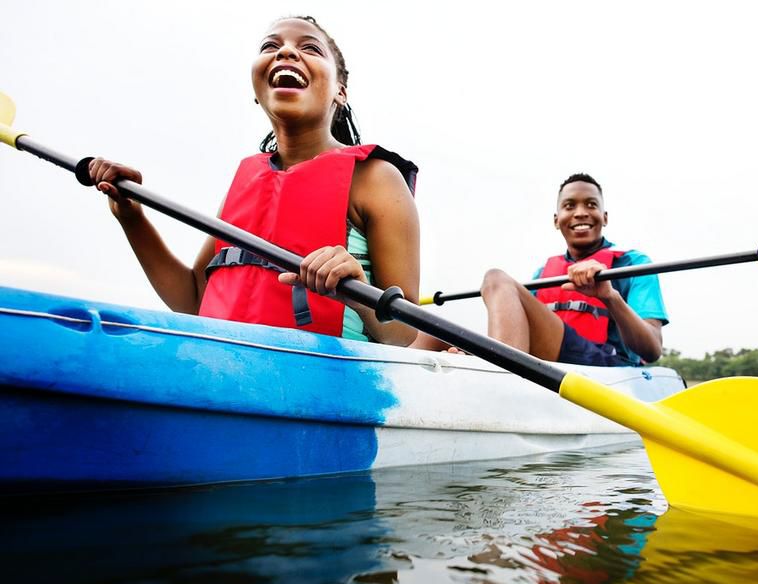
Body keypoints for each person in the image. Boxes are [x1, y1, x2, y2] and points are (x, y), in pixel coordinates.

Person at [87, 16, 420, 346]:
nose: (286, 52)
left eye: (310, 48)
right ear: (257, 92)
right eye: (271, 46)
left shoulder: (377, 178)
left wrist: (360, 295)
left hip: (325, 384)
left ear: (340, 92)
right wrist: (132, 218)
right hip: (223, 373)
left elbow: (403, 333)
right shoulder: (247, 180)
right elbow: (193, 299)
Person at [478, 173, 667, 366]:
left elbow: (652, 349)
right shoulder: (542, 274)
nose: (580, 213)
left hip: (609, 368)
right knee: (449, 338)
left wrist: (610, 297)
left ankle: (500, 382)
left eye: (591, 205)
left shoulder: (633, 263)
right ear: (556, 220)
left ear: (605, 217)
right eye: (569, 206)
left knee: (496, 279)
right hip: (552, 368)